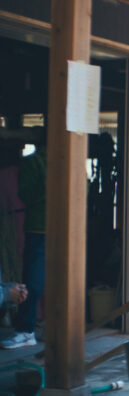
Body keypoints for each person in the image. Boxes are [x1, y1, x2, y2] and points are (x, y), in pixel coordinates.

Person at [1, 143, 45, 350]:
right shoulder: (32, 163)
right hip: (44, 227)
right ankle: (29, 328)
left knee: (34, 279)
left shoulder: (32, 163)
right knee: (36, 280)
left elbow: (26, 195)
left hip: (42, 227)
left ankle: (27, 330)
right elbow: (26, 195)